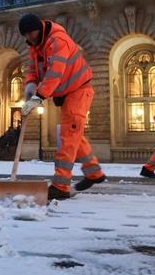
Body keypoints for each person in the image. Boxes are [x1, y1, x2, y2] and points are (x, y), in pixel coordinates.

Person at [18, 13, 105, 200]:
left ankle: (60, 186)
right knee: (74, 135)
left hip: (78, 91)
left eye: (31, 33)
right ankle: (94, 172)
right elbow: (33, 69)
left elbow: (55, 73)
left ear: (39, 28)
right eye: (25, 35)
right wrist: (30, 85)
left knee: (67, 136)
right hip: (67, 93)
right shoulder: (36, 47)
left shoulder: (58, 41)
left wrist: (38, 97)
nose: (29, 38)